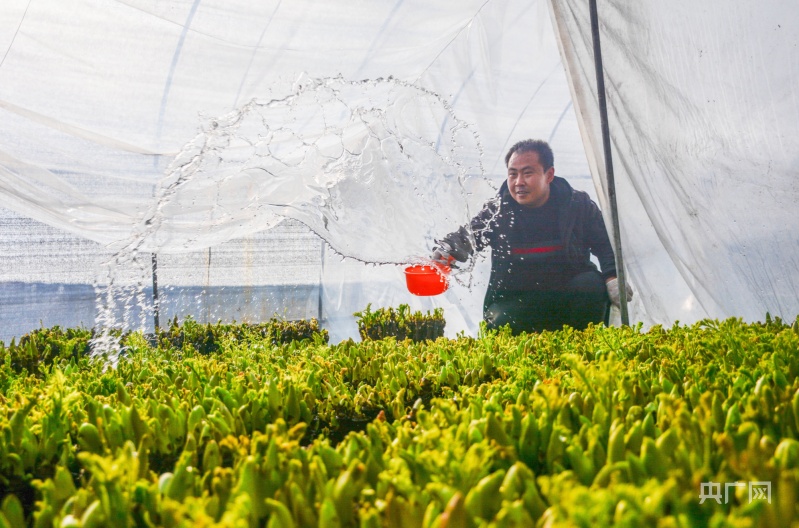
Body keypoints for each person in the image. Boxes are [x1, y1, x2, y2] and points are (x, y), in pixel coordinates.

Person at [433, 139, 631, 334]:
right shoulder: (499, 211)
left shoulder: (577, 205)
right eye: (513, 174)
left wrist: (613, 277)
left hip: (566, 293)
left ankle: (584, 351)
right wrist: (448, 250)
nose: (519, 182)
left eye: (528, 173)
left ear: (549, 174)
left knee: (591, 285)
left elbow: (605, 246)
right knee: (501, 322)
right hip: (516, 300)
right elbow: (469, 236)